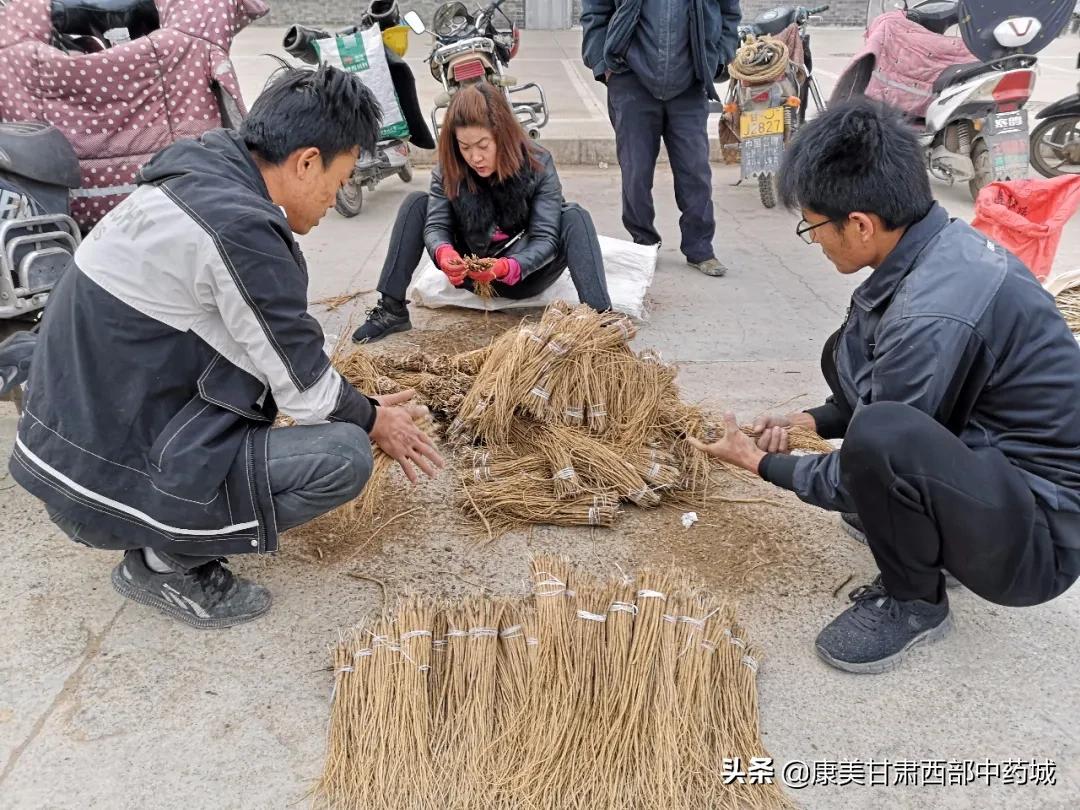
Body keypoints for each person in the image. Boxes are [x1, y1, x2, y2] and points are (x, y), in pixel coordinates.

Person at [9, 66, 444, 629]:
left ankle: (161, 534)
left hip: (66, 452)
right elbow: (308, 391)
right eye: (337, 183)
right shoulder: (239, 227)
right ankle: (165, 564)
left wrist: (350, 400)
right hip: (95, 482)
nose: (334, 201)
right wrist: (372, 419)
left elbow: (267, 345)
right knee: (342, 456)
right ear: (306, 160)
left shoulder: (200, 170)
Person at [690, 100, 1080, 674]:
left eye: (813, 225)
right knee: (846, 352)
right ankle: (926, 531)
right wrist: (809, 422)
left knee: (878, 441)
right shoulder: (935, 248)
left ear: (861, 224)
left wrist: (758, 465)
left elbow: (874, 452)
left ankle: (915, 602)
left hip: (1039, 538)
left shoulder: (932, 315)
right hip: (996, 474)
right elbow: (883, 394)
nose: (815, 240)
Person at [352, 82, 612, 343]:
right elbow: (435, 226)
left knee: (575, 216)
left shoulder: (538, 163)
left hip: (525, 274)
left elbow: (546, 239)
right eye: (465, 147)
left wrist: (507, 267)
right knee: (416, 203)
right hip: (471, 273)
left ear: (503, 135)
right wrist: (444, 252)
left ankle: (600, 322)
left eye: (483, 145)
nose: (475, 157)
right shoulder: (449, 167)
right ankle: (391, 310)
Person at [581, 0, 741, 278]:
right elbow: (595, 12)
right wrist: (602, 62)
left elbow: (729, 14)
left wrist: (717, 59)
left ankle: (700, 248)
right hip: (630, 80)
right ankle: (643, 243)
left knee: (695, 172)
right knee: (636, 172)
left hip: (690, 81)